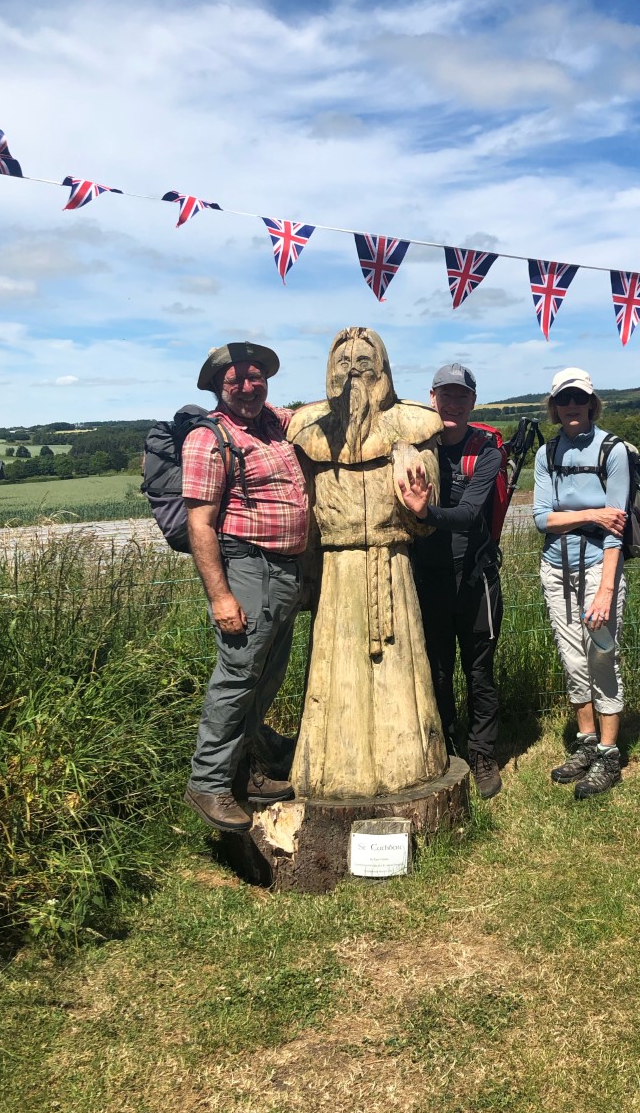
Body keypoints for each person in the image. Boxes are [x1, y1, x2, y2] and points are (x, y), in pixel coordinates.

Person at [286, 327, 448, 800]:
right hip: (337, 577)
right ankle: (335, 769)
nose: (354, 370)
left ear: (384, 368)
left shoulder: (415, 427)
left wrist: (418, 506)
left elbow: (425, 522)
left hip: (393, 569)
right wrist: (305, 577)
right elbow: (306, 518)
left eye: (364, 360)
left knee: (401, 676)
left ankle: (409, 764)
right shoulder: (310, 433)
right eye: (344, 361)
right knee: (337, 681)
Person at [182, 341, 309, 833]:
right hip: (248, 569)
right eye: (236, 381)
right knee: (237, 677)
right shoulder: (209, 439)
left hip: (284, 570)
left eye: (257, 378)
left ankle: (248, 769)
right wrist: (220, 597)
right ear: (219, 387)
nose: (249, 387)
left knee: (267, 674)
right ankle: (208, 782)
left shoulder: (273, 424)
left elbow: (314, 416)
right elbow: (200, 524)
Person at [398, 363, 504, 801]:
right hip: (429, 576)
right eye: (446, 395)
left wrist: (425, 513)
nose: (454, 404)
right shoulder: (414, 448)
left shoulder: (487, 451)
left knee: (478, 670)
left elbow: (469, 516)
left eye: (462, 396)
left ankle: (482, 755)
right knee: (436, 668)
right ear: (432, 397)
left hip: (475, 577)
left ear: (472, 402)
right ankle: (443, 745)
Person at [533, 367, 629, 799]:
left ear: (592, 402)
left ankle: (609, 752)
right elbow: (541, 519)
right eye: (564, 400)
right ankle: (586, 742)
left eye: (579, 398)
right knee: (573, 659)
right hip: (556, 568)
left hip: (598, 570)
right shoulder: (547, 453)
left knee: (601, 654)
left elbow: (618, 527)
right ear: (555, 407)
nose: (572, 406)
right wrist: (592, 514)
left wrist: (607, 589)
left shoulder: (613, 450)